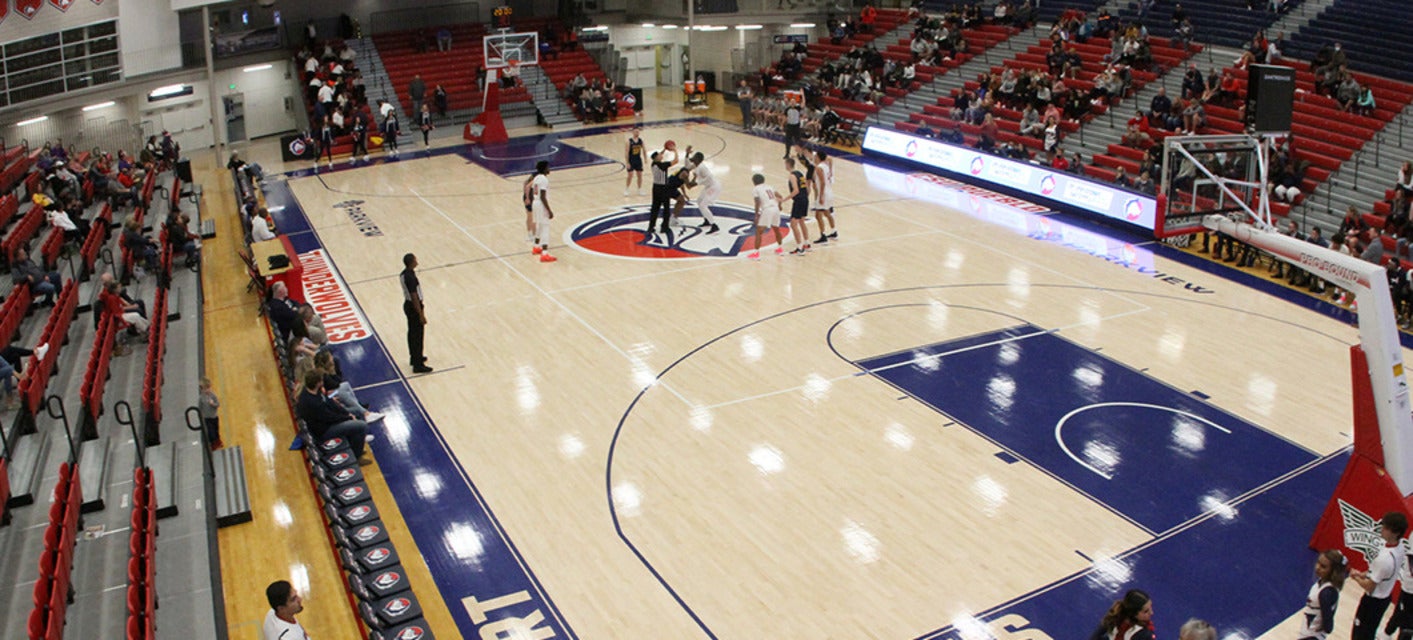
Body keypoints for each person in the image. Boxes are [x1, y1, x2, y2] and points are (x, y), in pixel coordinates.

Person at [1351, 511, 1406, 640]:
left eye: (1386, 528)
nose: (1382, 529)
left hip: (1372, 602)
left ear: (1396, 532)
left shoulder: (1385, 560)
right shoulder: (1400, 548)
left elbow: (1370, 586)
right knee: (1369, 631)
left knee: (1360, 634)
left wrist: (1356, 577)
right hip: (1384, 598)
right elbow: (1376, 573)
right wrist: (1362, 574)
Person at [296, 370, 372, 463]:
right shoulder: (313, 402)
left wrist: (347, 413)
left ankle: (356, 447)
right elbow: (330, 418)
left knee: (357, 412)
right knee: (362, 426)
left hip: (329, 420)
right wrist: (347, 417)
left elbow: (331, 403)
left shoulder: (313, 391)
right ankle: (357, 457)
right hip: (324, 430)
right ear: (318, 383)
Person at [1296, 550, 1348, 640]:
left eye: (1323, 566)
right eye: (1318, 563)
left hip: (1312, 637)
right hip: (1307, 633)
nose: (1317, 567)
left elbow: (1328, 627)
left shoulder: (1326, 593)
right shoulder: (1322, 584)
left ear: (1333, 571)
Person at [401, 253, 432, 374]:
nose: (417, 262)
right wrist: (421, 314)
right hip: (414, 307)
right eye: (415, 260)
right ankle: (418, 364)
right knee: (417, 335)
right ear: (411, 263)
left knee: (412, 333)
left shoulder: (404, 274)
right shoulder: (411, 278)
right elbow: (414, 296)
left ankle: (415, 357)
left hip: (408, 305)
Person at [1089, 589, 1155, 640]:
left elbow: (1095, 636)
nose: (1151, 613)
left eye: (1151, 607)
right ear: (1134, 614)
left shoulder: (1115, 614)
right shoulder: (1144, 634)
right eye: (1146, 611)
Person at [748, 174, 786, 260]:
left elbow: (757, 202)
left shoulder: (756, 189)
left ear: (754, 182)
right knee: (776, 229)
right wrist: (780, 205)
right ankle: (780, 249)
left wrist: (756, 214)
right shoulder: (770, 187)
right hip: (775, 208)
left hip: (767, 209)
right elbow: (780, 196)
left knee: (759, 231)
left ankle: (756, 254)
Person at [529, 161, 556, 262]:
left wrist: (533, 203)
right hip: (541, 203)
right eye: (548, 167)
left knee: (539, 226)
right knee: (545, 227)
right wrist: (549, 210)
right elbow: (543, 196)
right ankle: (544, 253)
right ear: (544, 169)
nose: (549, 169)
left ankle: (536, 246)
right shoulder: (544, 180)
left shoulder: (536, 178)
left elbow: (532, 192)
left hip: (535, 203)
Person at [688, 152, 721, 234]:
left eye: (695, 158)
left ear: (698, 160)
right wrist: (686, 154)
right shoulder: (698, 166)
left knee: (703, 205)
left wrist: (692, 182)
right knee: (699, 201)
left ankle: (714, 225)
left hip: (713, 187)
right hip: (709, 186)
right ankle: (706, 220)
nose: (693, 160)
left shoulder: (701, 167)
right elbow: (688, 164)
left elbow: (708, 178)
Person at [783, 157, 811, 255]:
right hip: (805, 199)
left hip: (799, 201)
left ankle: (800, 247)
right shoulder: (800, 173)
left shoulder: (792, 176)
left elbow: (796, 190)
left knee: (793, 224)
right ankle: (807, 243)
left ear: (787, 164)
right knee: (802, 222)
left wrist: (784, 199)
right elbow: (807, 189)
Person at [199, 377, 222, 450]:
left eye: (208, 388)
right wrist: (201, 415)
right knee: (210, 432)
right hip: (207, 418)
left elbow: (218, 404)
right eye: (205, 389)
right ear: (202, 389)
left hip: (214, 416)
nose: (207, 390)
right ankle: (213, 444)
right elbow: (199, 407)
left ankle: (218, 441)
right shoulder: (201, 398)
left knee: (216, 430)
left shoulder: (213, 395)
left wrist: (213, 404)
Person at [624, 128, 646, 197]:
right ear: (632, 132)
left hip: (638, 160)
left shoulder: (640, 141)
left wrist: (645, 158)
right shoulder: (629, 141)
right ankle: (627, 189)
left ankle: (639, 189)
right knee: (630, 175)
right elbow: (626, 152)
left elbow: (644, 150)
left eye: (638, 131)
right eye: (635, 131)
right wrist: (627, 162)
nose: (637, 133)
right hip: (631, 160)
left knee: (639, 175)